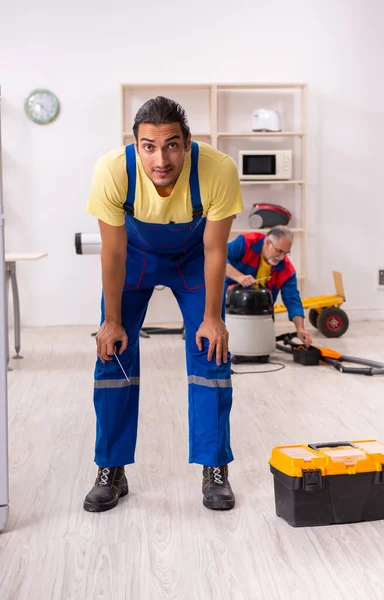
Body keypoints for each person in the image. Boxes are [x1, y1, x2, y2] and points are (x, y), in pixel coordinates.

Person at [84, 96, 244, 513]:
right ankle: (111, 469)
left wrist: (212, 318)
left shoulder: (218, 170)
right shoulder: (113, 171)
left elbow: (214, 249)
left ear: (188, 142)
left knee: (212, 350)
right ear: (135, 145)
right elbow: (113, 252)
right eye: (149, 146)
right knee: (112, 353)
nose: (161, 158)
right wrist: (111, 322)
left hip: (194, 260)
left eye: (172, 145)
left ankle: (214, 468)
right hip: (134, 258)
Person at [225, 226, 312, 346]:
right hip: (228, 306)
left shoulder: (287, 270)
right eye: (279, 251)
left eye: (286, 253)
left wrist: (300, 328)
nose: (281, 257)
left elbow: (293, 300)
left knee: (260, 346)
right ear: (267, 243)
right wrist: (239, 277)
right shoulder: (246, 242)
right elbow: (218, 257)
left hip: (261, 312)